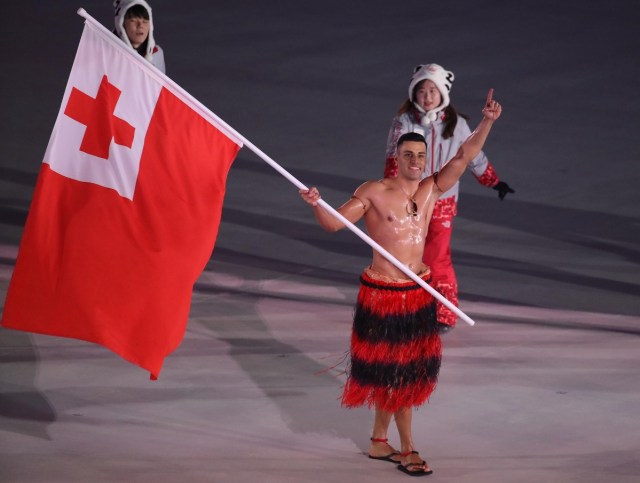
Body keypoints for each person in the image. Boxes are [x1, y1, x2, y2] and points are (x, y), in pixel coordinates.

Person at [300, 91, 502, 476]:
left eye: (421, 157)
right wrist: (316, 203)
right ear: (397, 154)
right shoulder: (374, 191)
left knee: (401, 374)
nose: (415, 162)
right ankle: (408, 448)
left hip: (417, 295)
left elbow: (463, 155)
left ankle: (379, 441)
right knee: (396, 375)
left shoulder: (431, 190)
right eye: (408, 155)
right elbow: (331, 224)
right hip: (383, 296)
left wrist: (487, 122)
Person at [384, 64, 513, 332]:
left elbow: (473, 156)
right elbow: (393, 160)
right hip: (411, 201)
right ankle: (408, 308)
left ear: (443, 93)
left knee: (438, 257)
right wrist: (391, 194)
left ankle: (443, 312)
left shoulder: (459, 126)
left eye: (433, 90)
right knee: (407, 255)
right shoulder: (404, 123)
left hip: (442, 202)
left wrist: (493, 181)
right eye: (422, 91)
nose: (427, 97)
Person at [113, 0, 166, 73]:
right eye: (133, 21)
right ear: (121, 24)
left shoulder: (157, 54)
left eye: (145, 21)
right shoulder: (109, 51)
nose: (140, 26)